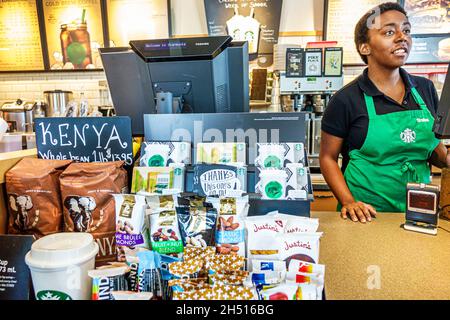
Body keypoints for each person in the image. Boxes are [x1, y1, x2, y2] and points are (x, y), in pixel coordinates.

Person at [320, 2, 450, 223]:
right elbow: (327, 158)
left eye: (406, 30)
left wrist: (446, 158)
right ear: (365, 47)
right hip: (366, 216)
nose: (402, 37)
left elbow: (431, 147)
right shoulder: (345, 99)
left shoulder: (425, 89)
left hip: (419, 212)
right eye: (389, 32)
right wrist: (349, 202)